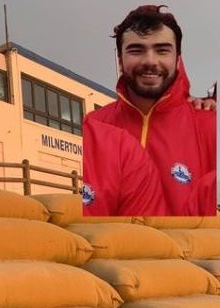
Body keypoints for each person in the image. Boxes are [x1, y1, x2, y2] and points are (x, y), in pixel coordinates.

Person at [82, 5, 216, 216]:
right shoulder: (94, 126)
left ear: (178, 60)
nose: (150, 61)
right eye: (136, 50)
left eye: (162, 50)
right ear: (120, 60)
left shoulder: (209, 125)